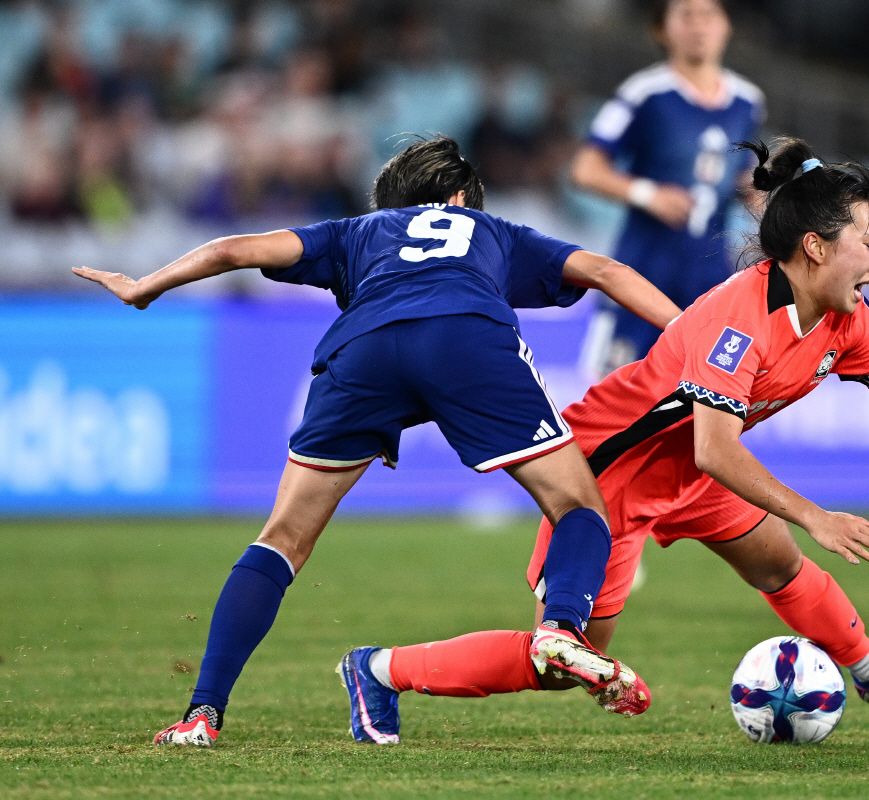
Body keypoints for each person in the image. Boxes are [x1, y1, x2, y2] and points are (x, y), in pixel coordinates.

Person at [359, 137, 869, 718]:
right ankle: (380, 669)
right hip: (608, 477)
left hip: (688, 468)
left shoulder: (851, 320)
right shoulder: (739, 320)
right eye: (867, 243)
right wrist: (817, 515)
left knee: (776, 561)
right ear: (815, 246)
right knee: (564, 663)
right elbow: (717, 447)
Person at [73, 136, 683, 746]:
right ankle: (561, 628)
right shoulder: (491, 230)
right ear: (458, 198)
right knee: (577, 504)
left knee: (282, 537)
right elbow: (607, 272)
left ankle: (201, 713)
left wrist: (147, 285)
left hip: (363, 350)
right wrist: (689, 333)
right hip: (467, 340)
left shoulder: (357, 231)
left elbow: (234, 249)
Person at [571, 0, 764, 370]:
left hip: (711, 276)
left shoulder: (748, 101)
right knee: (615, 388)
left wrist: (761, 196)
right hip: (644, 271)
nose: (698, 26)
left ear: (727, 26)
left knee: (709, 390)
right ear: (661, 29)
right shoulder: (644, 93)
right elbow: (584, 169)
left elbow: (742, 176)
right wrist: (647, 194)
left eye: (708, 15)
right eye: (686, 15)